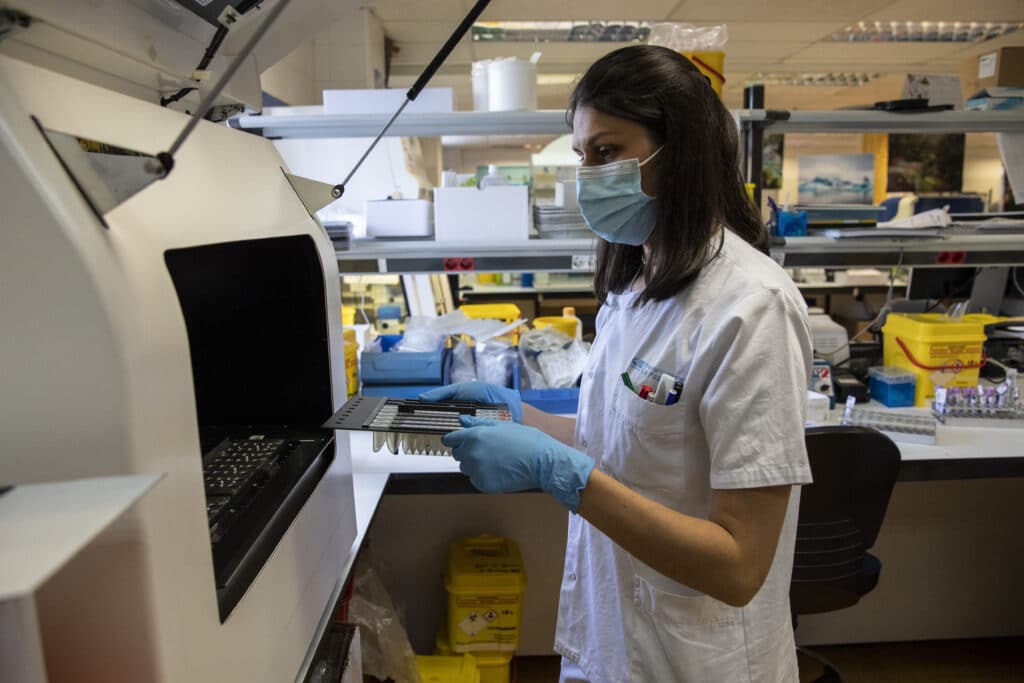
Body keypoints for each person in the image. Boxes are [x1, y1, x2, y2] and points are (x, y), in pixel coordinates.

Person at [421, 45, 813, 682]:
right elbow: (630, 444)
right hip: (610, 642)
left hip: (695, 660)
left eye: (606, 151)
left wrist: (563, 475)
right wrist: (515, 413)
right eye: (581, 156)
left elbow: (739, 567)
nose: (587, 175)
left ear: (679, 151)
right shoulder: (635, 288)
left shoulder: (751, 306)